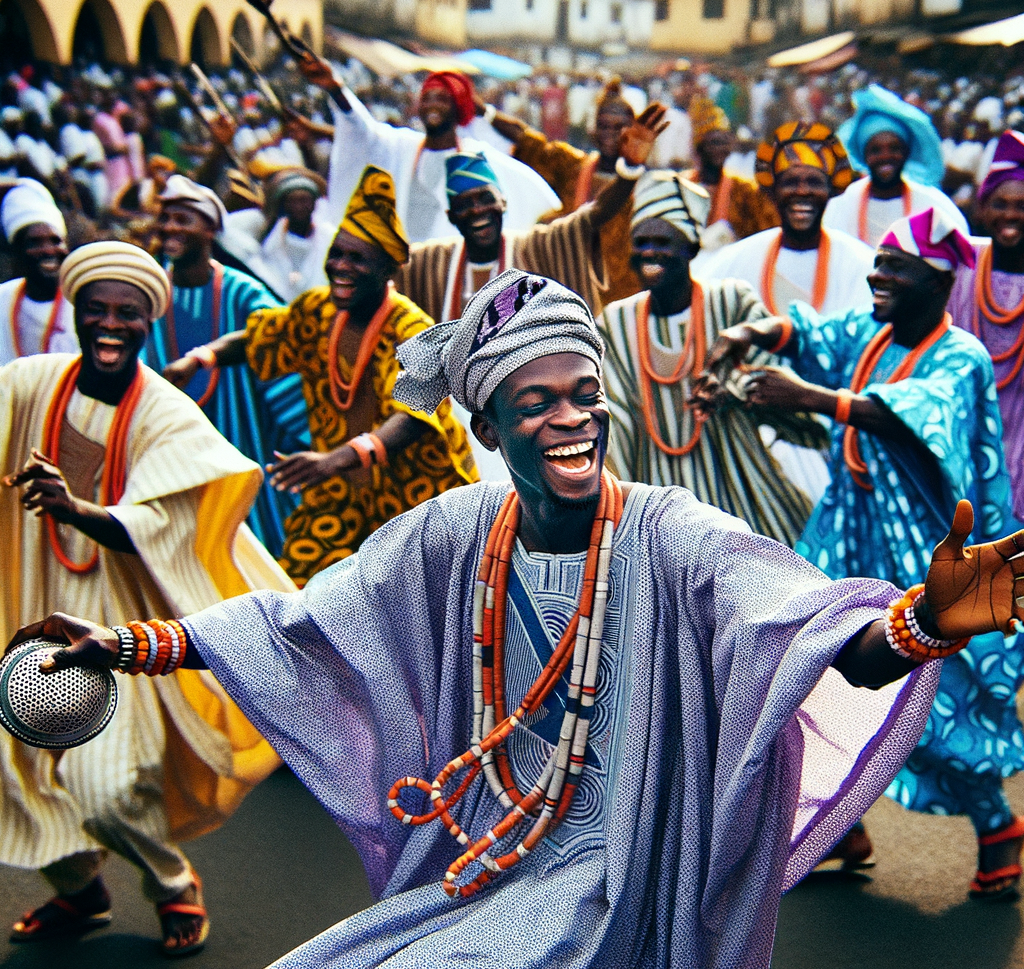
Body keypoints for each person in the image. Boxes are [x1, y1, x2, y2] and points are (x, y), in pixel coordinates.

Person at [16, 267, 1024, 968]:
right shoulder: (456, 532)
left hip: (621, 875)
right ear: (489, 427)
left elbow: (809, 637)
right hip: (477, 858)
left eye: (585, 393)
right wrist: (128, 645)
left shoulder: (671, 534)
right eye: (536, 402)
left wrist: (921, 624)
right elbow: (299, 623)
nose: (572, 416)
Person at [703, 207, 1024, 893]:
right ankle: (842, 827)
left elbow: (911, 416)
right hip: (850, 531)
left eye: (895, 268)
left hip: (925, 545)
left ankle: (997, 825)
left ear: (937, 283)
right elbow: (820, 333)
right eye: (877, 263)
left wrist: (814, 397)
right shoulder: (874, 333)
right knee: (813, 667)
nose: (876, 275)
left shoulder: (960, 355)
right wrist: (764, 331)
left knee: (930, 691)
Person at [0, 241, 291, 956]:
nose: (109, 324)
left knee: (100, 787)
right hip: (22, 606)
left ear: (146, 322)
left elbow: (164, 527)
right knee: (12, 779)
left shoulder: (164, 412)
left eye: (126, 313)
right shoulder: (28, 383)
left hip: (110, 627)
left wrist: (75, 511)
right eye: (95, 310)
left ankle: (171, 885)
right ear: (74, 312)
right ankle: (81, 893)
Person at [164, 167, 478, 586]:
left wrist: (338, 458)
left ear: (387, 270)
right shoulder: (317, 310)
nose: (340, 267)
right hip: (339, 494)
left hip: (416, 500)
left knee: (416, 608)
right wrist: (201, 359)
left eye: (357, 258)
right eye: (336, 254)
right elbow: (260, 336)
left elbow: (414, 415)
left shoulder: (412, 329)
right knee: (296, 590)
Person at [599, 171, 824, 548]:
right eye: (640, 242)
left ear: (691, 248)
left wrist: (733, 388)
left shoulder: (731, 302)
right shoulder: (616, 321)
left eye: (662, 241)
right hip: (656, 507)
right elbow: (612, 415)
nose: (649, 252)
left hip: (740, 490)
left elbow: (774, 377)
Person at [149, 175, 310, 558]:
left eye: (183, 219)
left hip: (246, 446)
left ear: (211, 229)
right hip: (174, 457)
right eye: (166, 217)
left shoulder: (243, 293)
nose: (171, 227)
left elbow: (283, 345)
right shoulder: (151, 292)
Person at [393, 104, 667, 326]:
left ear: (503, 203)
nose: (477, 210)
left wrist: (630, 168)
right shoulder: (431, 262)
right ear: (451, 216)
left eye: (486, 199)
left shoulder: (533, 247)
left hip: (623, 303)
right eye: (465, 205)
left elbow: (596, 214)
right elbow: (529, 142)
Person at [303, 57, 559, 243]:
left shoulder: (477, 159)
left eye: (442, 99)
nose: (432, 105)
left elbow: (535, 197)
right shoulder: (401, 147)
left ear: (458, 107)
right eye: (427, 98)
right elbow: (361, 131)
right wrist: (335, 88)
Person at [483, 77, 646, 304]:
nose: (611, 134)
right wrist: (484, 112)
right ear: (593, 130)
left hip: (620, 300)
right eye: (604, 126)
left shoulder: (646, 185)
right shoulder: (571, 166)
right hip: (566, 291)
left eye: (620, 127)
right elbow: (529, 142)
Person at [692, 121, 875, 316]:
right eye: (790, 182)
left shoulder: (860, 264)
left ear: (831, 190)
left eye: (814, 182)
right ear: (772, 191)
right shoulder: (733, 262)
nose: (802, 191)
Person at [948, 128, 1024, 521]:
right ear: (981, 209)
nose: (1011, 215)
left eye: (1022, 205)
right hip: (968, 444)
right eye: (1000, 204)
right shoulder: (960, 267)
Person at [824, 84, 968, 247]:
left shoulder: (933, 205)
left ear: (907, 151)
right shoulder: (843, 207)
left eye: (894, 148)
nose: (885, 156)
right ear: (863, 155)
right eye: (875, 150)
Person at [221, 167, 337, 302]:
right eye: (292, 201)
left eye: (304, 200)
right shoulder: (269, 233)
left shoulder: (329, 235)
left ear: (313, 203)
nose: (299, 207)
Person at [684, 98, 779, 254]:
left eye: (724, 143)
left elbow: (767, 235)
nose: (719, 149)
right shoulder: (680, 186)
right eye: (714, 143)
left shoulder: (746, 191)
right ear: (699, 147)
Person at [0, 179, 76, 364]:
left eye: (55, 241)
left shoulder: (82, 300)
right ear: (16, 251)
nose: (49, 250)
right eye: (34, 242)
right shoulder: (3, 298)